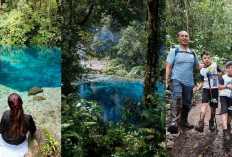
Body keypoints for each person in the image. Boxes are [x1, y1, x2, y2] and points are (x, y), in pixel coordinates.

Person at [166, 31, 202, 134]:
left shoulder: (192, 52)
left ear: (189, 39)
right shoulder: (175, 50)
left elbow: (197, 67)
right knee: (177, 97)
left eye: (186, 36)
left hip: (189, 81)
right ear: (178, 38)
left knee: (187, 102)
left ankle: (183, 121)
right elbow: (168, 66)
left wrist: (209, 65)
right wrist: (166, 80)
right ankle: (173, 122)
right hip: (177, 78)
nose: (184, 37)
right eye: (182, 36)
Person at [194, 51, 222, 132]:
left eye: (208, 58)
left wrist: (218, 74)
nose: (207, 60)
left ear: (210, 58)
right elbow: (202, 81)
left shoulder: (215, 65)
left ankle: (211, 121)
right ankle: (201, 122)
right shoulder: (202, 70)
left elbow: (220, 73)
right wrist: (198, 87)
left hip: (214, 89)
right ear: (202, 59)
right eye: (205, 58)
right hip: (206, 89)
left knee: (213, 109)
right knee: (204, 105)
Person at [218, 61, 232, 144]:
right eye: (228, 68)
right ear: (226, 69)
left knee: (230, 114)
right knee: (225, 112)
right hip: (223, 96)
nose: (230, 70)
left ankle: (228, 125)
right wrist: (227, 86)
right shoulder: (223, 77)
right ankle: (225, 130)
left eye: (231, 68)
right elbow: (219, 86)